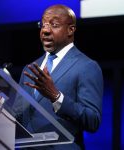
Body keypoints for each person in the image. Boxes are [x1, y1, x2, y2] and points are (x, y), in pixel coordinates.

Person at [13, 4, 103, 150]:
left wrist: (56, 97)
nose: (45, 31)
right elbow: (19, 118)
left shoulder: (87, 66)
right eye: (43, 25)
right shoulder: (30, 69)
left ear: (70, 29)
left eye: (54, 25)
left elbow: (93, 121)